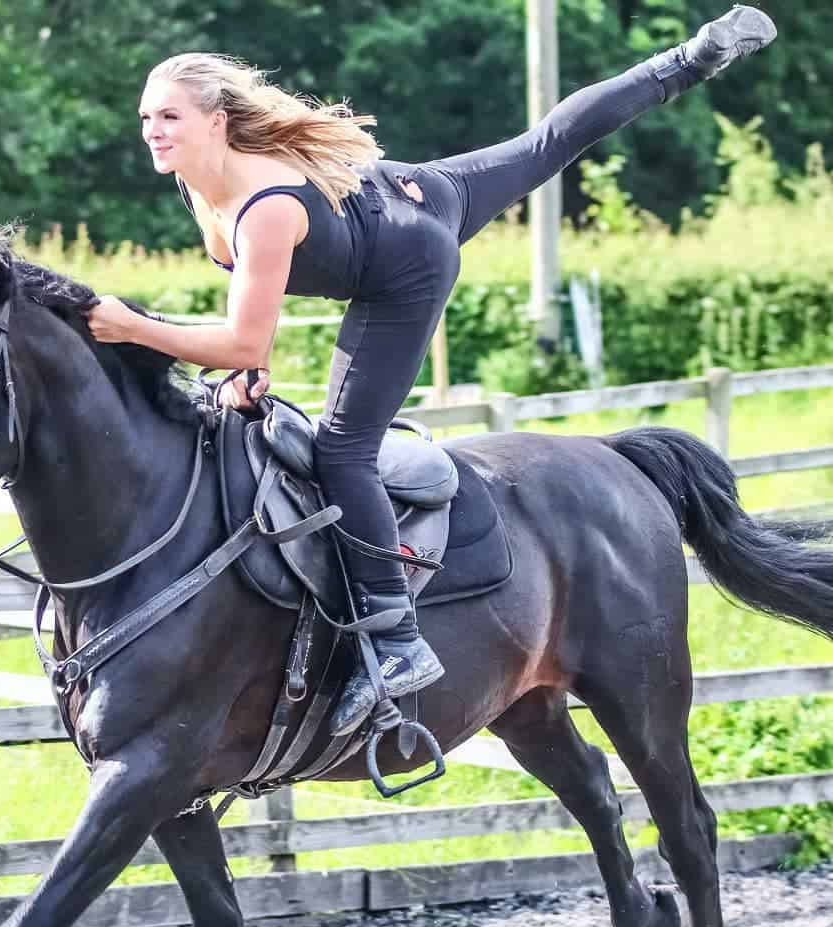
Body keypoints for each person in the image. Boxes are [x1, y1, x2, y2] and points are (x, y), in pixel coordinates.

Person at [87, 5, 777, 737]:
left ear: (218, 122)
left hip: (407, 263)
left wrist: (134, 328)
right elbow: (248, 333)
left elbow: (242, 340)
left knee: (343, 450)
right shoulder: (201, 185)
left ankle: (393, 639)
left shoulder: (260, 207)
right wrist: (243, 367)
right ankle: (697, 55)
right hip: (412, 189)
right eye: (146, 118)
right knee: (546, 142)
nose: (152, 132)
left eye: (169, 117)